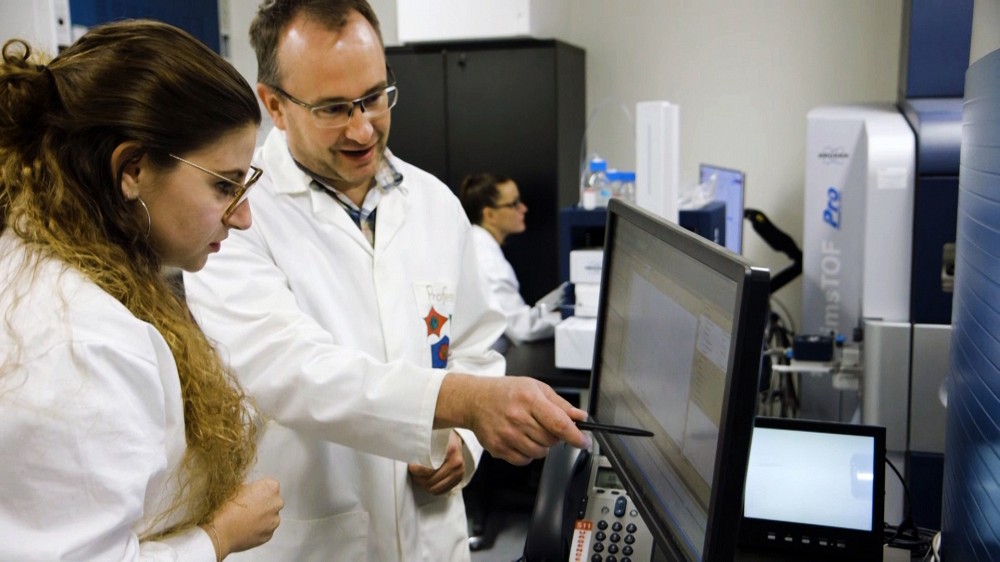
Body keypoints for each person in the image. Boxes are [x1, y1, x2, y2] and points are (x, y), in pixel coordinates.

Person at [182, 1, 590, 560]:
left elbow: (474, 346)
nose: (363, 128)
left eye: (374, 97)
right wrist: (462, 401)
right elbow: (291, 372)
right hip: (316, 541)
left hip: (431, 535)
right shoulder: (235, 217)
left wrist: (464, 443)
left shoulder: (434, 203)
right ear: (274, 105)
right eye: (333, 108)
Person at [0, 21, 283, 561]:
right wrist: (218, 536)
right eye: (224, 185)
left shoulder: (50, 262)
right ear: (132, 169)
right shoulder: (80, 341)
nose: (243, 217)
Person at [459, 172, 562, 352]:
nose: (523, 208)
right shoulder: (486, 259)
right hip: (484, 356)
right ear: (490, 215)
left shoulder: (478, 244)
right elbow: (522, 329)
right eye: (514, 204)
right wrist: (566, 318)